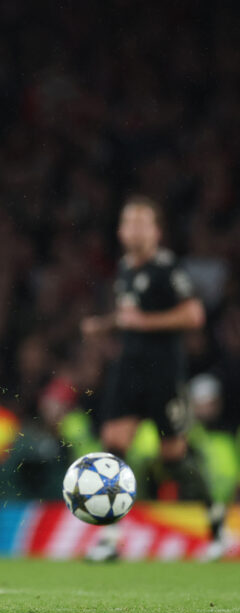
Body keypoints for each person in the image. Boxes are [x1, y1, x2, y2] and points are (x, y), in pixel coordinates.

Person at [81, 195, 223, 561]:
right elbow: (130, 315)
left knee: (173, 458)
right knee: (113, 445)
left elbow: (193, 315)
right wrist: (105, 325)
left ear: (157, 231)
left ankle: (217, 527)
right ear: (120, 231)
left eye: (143, 223)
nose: (135, 230)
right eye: (129, 223)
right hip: (129, 371)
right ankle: (111, 539)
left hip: (163, 374)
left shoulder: (167, 268)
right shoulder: (126, 268)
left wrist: (146, 323)